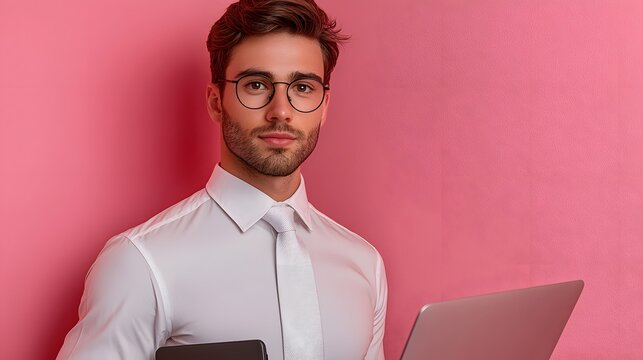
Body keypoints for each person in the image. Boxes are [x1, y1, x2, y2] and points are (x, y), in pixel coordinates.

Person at [57, 0, 387, 359]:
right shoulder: (140, 261)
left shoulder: (364, 263)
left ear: (324, 107)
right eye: (257, 84)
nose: (281, 111)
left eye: (303, 88)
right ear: (216, 102)